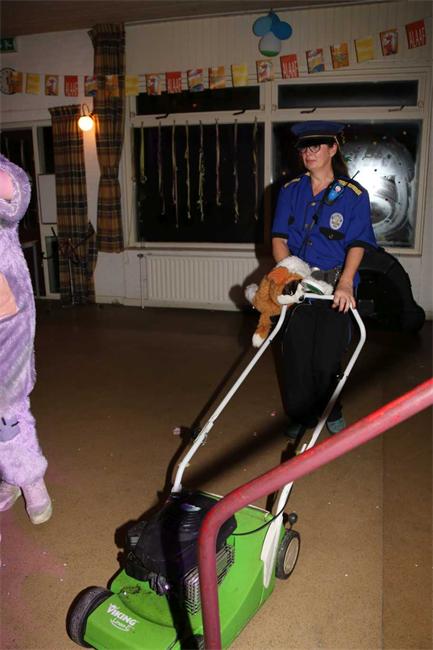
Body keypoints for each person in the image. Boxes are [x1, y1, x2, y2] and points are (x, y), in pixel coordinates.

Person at [271, 121, 377, 442]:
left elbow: (357, 243)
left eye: (316, 146)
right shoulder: (290, 191)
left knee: (326, 358)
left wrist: (346, 282)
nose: (309, 153)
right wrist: (289, 274)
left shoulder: (353, 195)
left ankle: (331, 410)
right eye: (304, 147)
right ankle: (301, 414)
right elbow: (279, 239)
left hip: (334, 285)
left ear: (333, 148)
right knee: (296, 355)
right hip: (301, 283)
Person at [0, 154, 52, 524]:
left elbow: (15, 196)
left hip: (5, 315)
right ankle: (10, 474)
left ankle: (28, 477)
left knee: (8, 406)